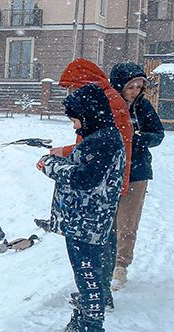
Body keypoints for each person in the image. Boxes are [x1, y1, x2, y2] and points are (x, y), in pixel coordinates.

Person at [38, 84, 127, 332]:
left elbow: (84, 178)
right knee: (87, 271)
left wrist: (50, 165)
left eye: (76, 119)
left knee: (87, 272)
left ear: (88, 115)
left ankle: (92, 330)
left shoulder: (101, 141)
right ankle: (83, 319)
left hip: (86, 222)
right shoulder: (103, 137)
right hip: (87, 220)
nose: (75, 125)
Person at [51, 58, 134, 308]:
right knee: (101, 241)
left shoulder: (103, 103)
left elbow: (96, 155)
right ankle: (96, 295)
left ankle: (96, 299)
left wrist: (60, 157)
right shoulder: (101, 100)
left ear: (84, 84)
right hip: (107, 182)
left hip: (101, 189)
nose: (68, 92)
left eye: (71, 87)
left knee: (97, 245)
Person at [108, 63, 165, 288]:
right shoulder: (107, 106)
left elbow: (158, 134)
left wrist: (138, 140)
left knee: (127, 221)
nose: (135, 91)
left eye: (139, 87)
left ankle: (120, 265)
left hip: (137, 170)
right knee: (108, 219)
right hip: (110, 170)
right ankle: (105, 260)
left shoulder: (143, 107)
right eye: (131, 86)